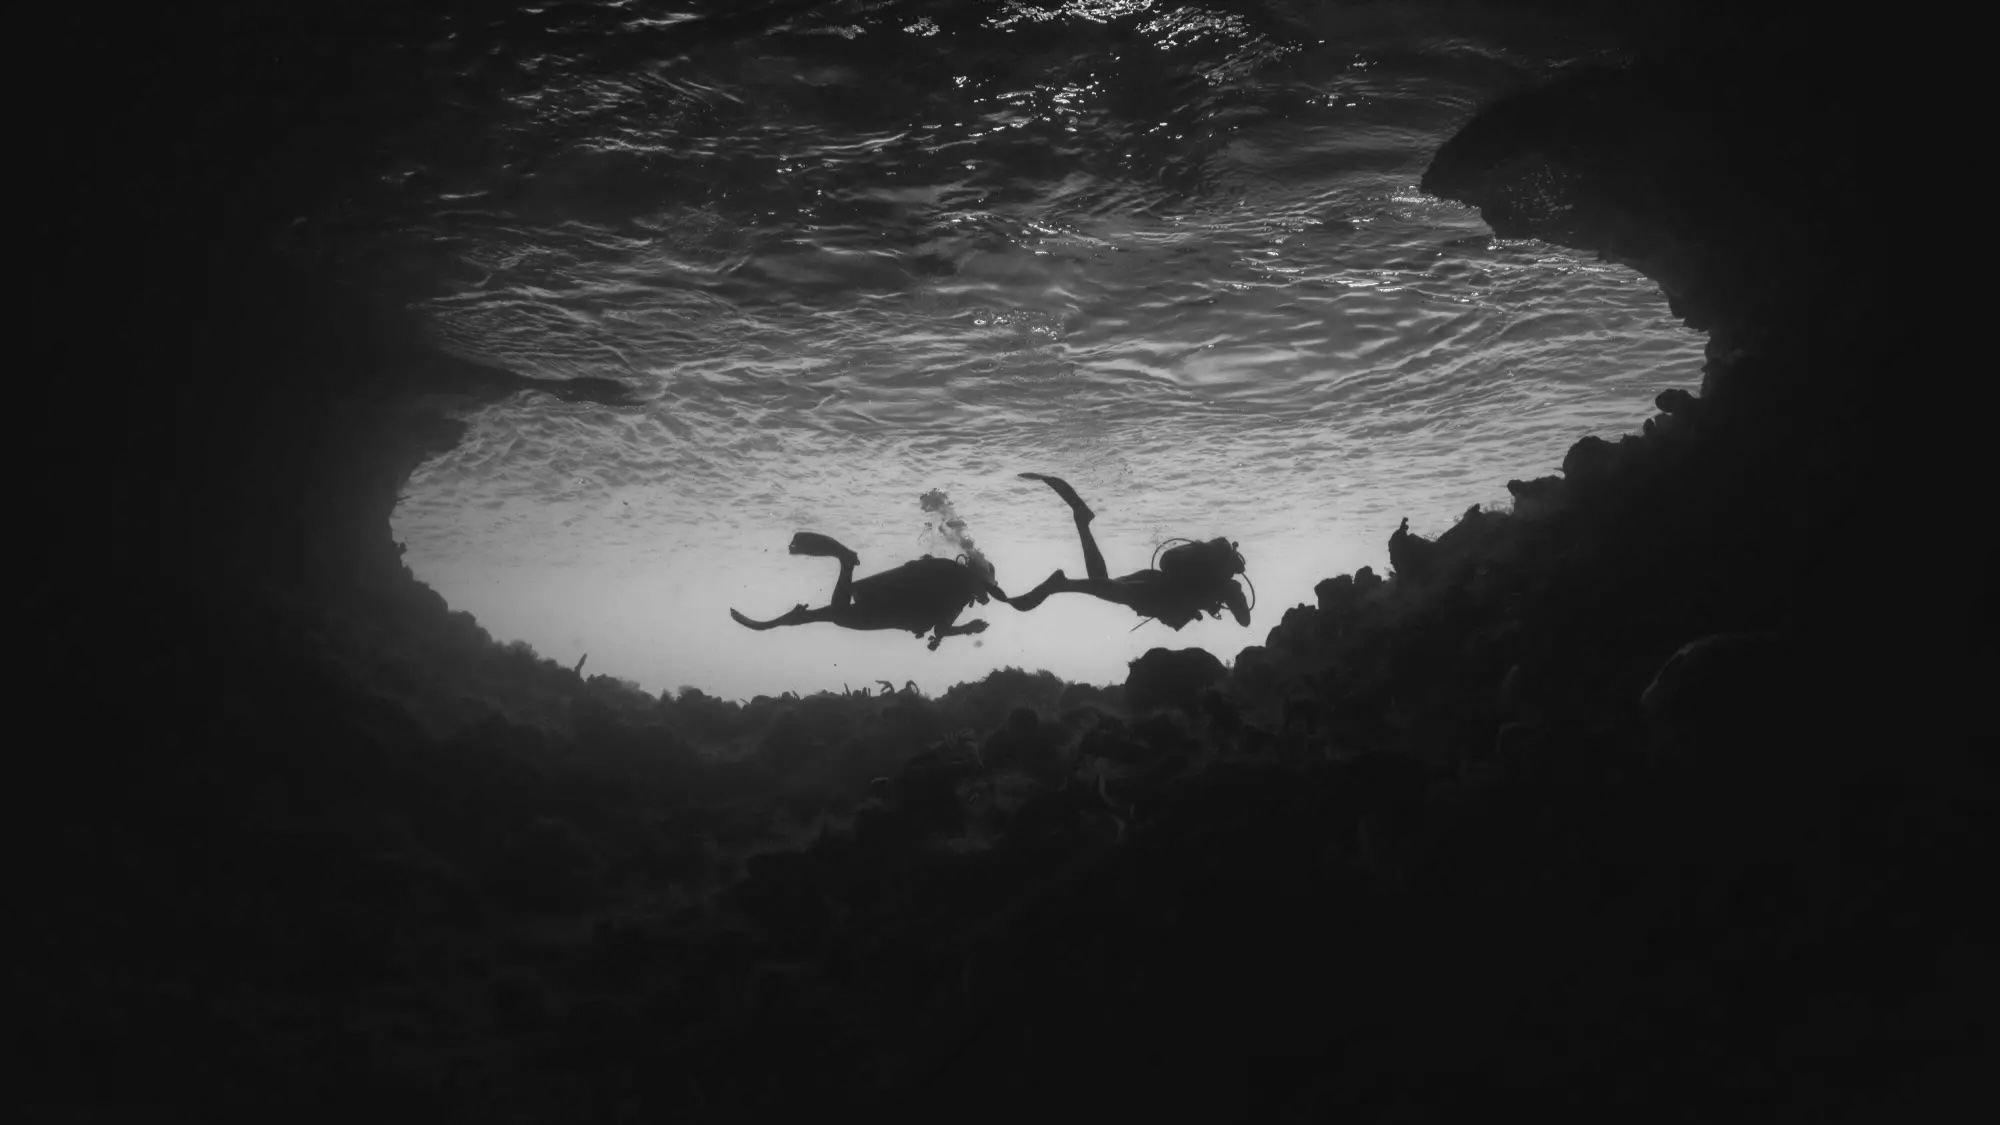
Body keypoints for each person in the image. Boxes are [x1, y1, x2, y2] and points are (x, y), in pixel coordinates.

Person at [1004, 473, 1251, 630]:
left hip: (1158, 580)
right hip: (1160, 595)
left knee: (1103, 584)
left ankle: (1082, 521)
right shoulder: (1228, 588)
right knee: (1110, 589)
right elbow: (1244, 621)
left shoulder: (1213, 578)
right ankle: (1061, 584)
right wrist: (1216, 602)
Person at [730, 532, 1007, 650]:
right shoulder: (956, 595)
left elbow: (917, 572)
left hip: (889, 597)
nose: (985, 595)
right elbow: (941, 630)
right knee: (838, 616)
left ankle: (772, 624)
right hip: (890, 612)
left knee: (828, 615)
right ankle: (846, 562)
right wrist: (967, 629)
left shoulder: (950, 573)